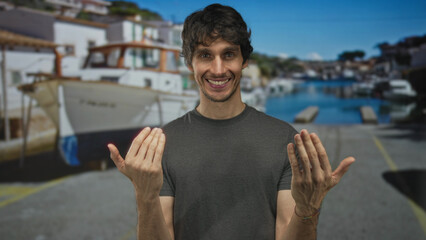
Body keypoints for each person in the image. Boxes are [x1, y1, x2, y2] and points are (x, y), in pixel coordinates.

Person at [108, 3, 355, 240]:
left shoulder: (285, 141)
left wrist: (308, 210)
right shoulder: (163, 143)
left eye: (229, 54)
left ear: (244, 60)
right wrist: (145, 197)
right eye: (205, 55)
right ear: (189, 62)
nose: (217, 69)